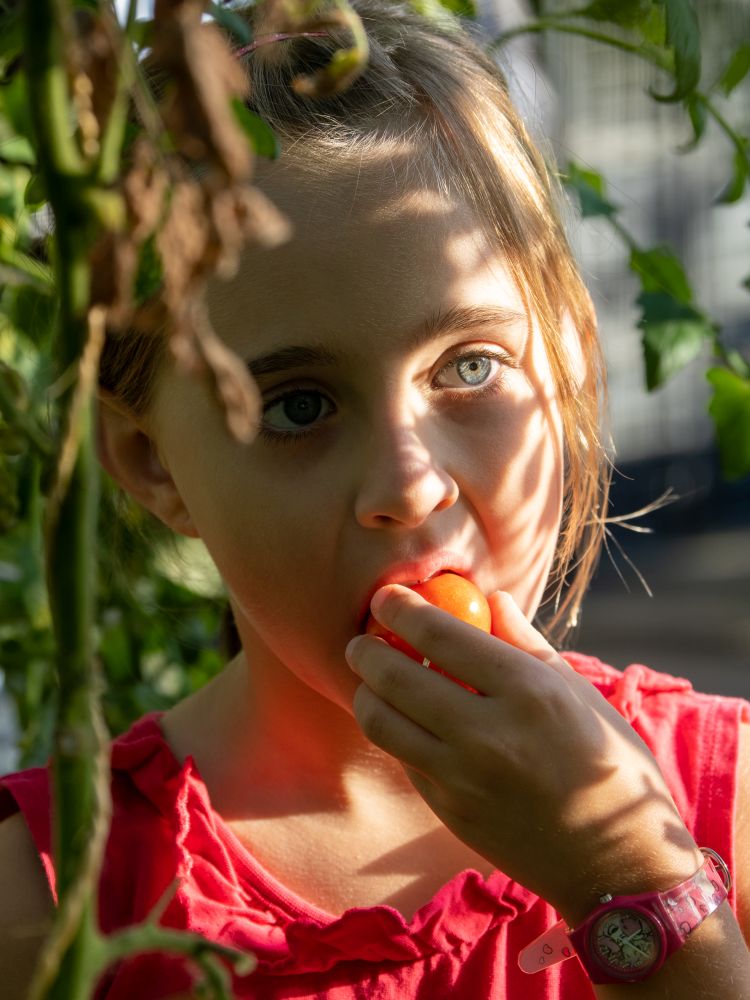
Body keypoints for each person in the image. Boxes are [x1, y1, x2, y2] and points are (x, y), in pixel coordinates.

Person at [1, 1, 749, 997]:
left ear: (571, 361)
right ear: (151, 463)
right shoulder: (45, 903)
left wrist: (634, 880)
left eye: (472, 366)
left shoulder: (727, 806)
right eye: (298, 405)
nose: (409, 483)